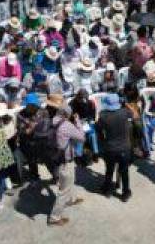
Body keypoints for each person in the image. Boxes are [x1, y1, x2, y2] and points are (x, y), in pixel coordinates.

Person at [46, 94, 85, 226]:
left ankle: (71, 199)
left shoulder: (52, 120)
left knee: (70, 180)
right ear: (67, 114)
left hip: (55, 158)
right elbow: (81, 137)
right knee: (63, 190)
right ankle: (54, 218)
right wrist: (78, 122)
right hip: (64, 160)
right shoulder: (66, 125)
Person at [95, 93, 133, 201]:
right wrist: (126, 104)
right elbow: (135, 114)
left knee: (109, 170)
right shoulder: (125, 112)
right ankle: (125, 193)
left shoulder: (103, 115)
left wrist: (103, 141)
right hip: (125, 147)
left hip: (110, 148)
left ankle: (107, 190)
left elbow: (98, 129)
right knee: (124, 171)